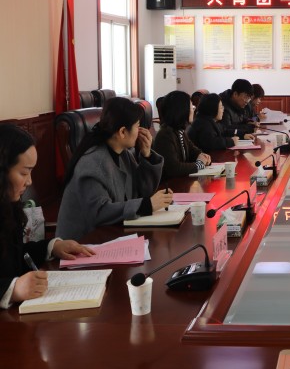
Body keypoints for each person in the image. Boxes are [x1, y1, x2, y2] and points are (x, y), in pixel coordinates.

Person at [1, 125, 94, 308]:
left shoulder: (7, 205)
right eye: (24, 172)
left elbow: (14, 256)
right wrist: (12, 289)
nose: (29, 181)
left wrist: (52, 247)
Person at [57, 98, 173, 241]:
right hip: (84, 243)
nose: (140, 131)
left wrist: (147, 155)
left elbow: (143, 191)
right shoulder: (94, 163)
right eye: (137, 126)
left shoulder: (123, 154)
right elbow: (100, 212)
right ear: (123, 132)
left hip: (113, 234)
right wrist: (147, 205)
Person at [153, 90, 211, 180]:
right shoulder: (165, 135)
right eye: (191, 106)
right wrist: (199, 164)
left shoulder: (180, 131)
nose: (194, 109)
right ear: (182, 110)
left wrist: (202, 155)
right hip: (170, 185)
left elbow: (192, 150)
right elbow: (174, 168)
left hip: (181, 181)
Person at [188, 93, 254, 151]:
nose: (223, 109)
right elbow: (212, 143)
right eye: (221, 107)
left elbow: (225, 131)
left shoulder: (210, 120)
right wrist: (231, 141)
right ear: (213, 109)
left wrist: (243, 135)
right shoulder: (203, 124)